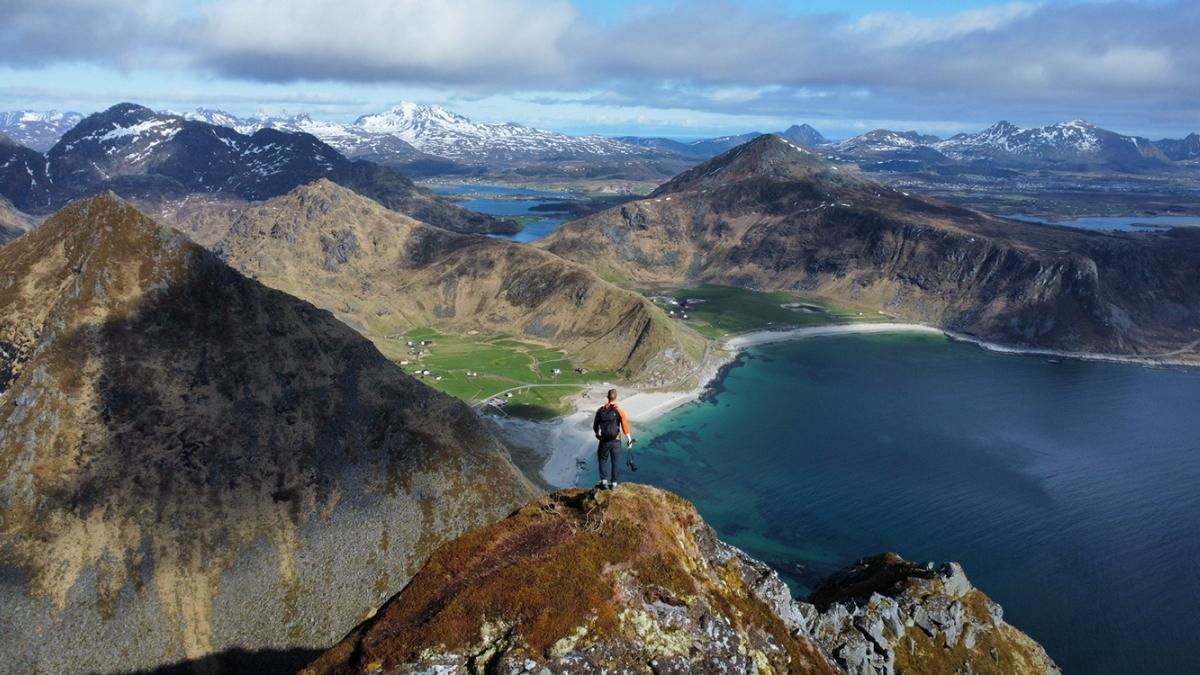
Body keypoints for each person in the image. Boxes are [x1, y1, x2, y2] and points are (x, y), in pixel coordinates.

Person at [593, 388, 634, 489]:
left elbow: (595, 426)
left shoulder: (600, 410)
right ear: (616, 397)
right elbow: (625, 426)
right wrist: (629, 439)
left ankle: (603, 481)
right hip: (616, 441)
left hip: (604, 441)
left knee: (602, 459)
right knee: (615, 461)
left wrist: (597, 434)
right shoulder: (619, 411)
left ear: (607, 397)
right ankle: (614, 483)